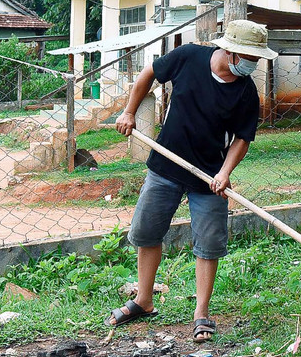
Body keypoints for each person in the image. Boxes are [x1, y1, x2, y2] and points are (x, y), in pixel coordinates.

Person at [105, 20, 277, 343]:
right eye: (248, 56)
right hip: (166, 164)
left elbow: (242, 138)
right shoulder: (188, 58)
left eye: (257, 58)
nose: (253, 64)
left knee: (208, 243)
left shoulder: (246, 93)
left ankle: (201, 313)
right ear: (229, 50)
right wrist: (129, 111)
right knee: (146, 231)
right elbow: (149, 75)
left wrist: (225, 172)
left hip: (209, 175)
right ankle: (143, 300)